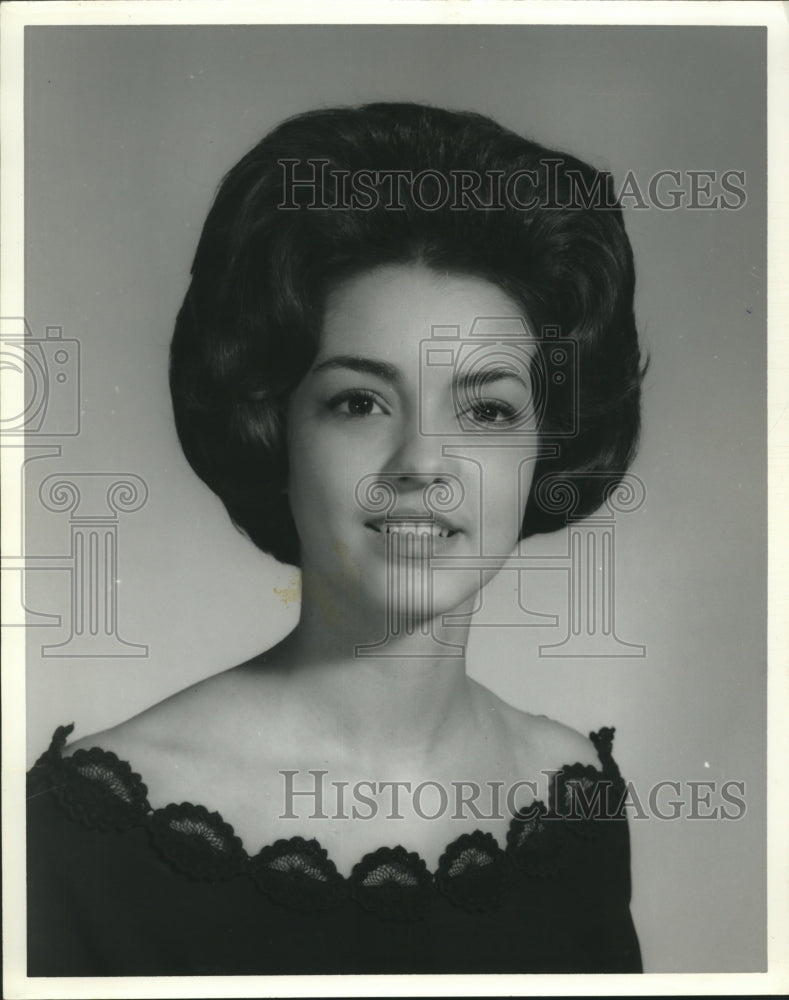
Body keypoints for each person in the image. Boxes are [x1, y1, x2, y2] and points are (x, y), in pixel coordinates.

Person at [27, 102, 645, 975]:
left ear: (544, 449)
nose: (423, 462)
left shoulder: (571, 799)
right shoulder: (76, 835)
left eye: (487, 409)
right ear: (273, 431)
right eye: (358, 401)